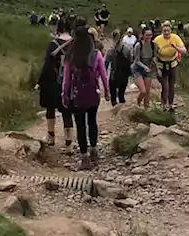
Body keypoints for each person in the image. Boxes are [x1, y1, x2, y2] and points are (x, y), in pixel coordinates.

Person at [63, 25, 109, 170]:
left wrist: (65, 95)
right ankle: (94, 149)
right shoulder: (96, 54)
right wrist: (107, 91)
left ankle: (84, 157)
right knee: (92, 121)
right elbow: (103, 74)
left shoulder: (70, 55)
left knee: (80, 125)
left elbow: (66, 79)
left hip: (77, 96)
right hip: (93, 93)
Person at [37, 21, 74, 148]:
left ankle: (51, 137)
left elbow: (47, 65)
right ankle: (69, 142)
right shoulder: (74, 44)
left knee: (50, 108)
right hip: (69, 82)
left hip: (52, 81)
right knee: (67, 111)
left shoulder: (53, 45)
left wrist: (40, 82)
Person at [154, 21, 187, 113]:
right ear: (162, 31)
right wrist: (157, 68)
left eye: (168, 31)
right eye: (164, 31)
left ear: (170, 31)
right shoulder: (157, 40)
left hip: (172, 64)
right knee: (165, 86)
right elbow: (154, 55)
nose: (166, 33)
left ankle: (171, 104)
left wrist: (176, 47)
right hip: (161, 65)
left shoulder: (175, 38)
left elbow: (184, 50)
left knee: (171, 86)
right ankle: (164, 105)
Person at [131, 28, 158, 108]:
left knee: (147, 91)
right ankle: (138, 103)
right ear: (143, 35)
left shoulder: (153, 45)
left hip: (148, 68)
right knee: (143, 91)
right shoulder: (138, 45)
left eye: (150, 35)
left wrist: (156, 65)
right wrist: (144, 67)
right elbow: (136, 60)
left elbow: (155, 57)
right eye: (147, 35)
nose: (149, 37)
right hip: (138, 69)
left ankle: (147, 107)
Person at [106, 31, 132, 106]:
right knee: (120, 96)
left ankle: (118, 114)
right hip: (120, 75)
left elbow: (106, 65)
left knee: (117, 97)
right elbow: (130, 62)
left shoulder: (111, 51)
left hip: (116, 75)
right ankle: (120, 113)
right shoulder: (126, 49)